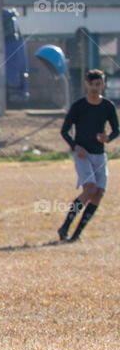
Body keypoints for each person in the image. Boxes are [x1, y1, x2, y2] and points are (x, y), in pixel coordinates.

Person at [57, 69, 118, 241]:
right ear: (86, 85)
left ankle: (76, 234)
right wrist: (76, 147)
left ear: (103, 86)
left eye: (98, 84)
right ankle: (65, 227)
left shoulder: (108, 106)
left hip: (100, 155)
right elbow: (64, 131)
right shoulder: (79, 106)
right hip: (83, 155)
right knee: (90, 190)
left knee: (98, 194)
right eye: (91, 84)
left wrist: (108, 138)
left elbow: (116, 130)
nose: (94, 87)